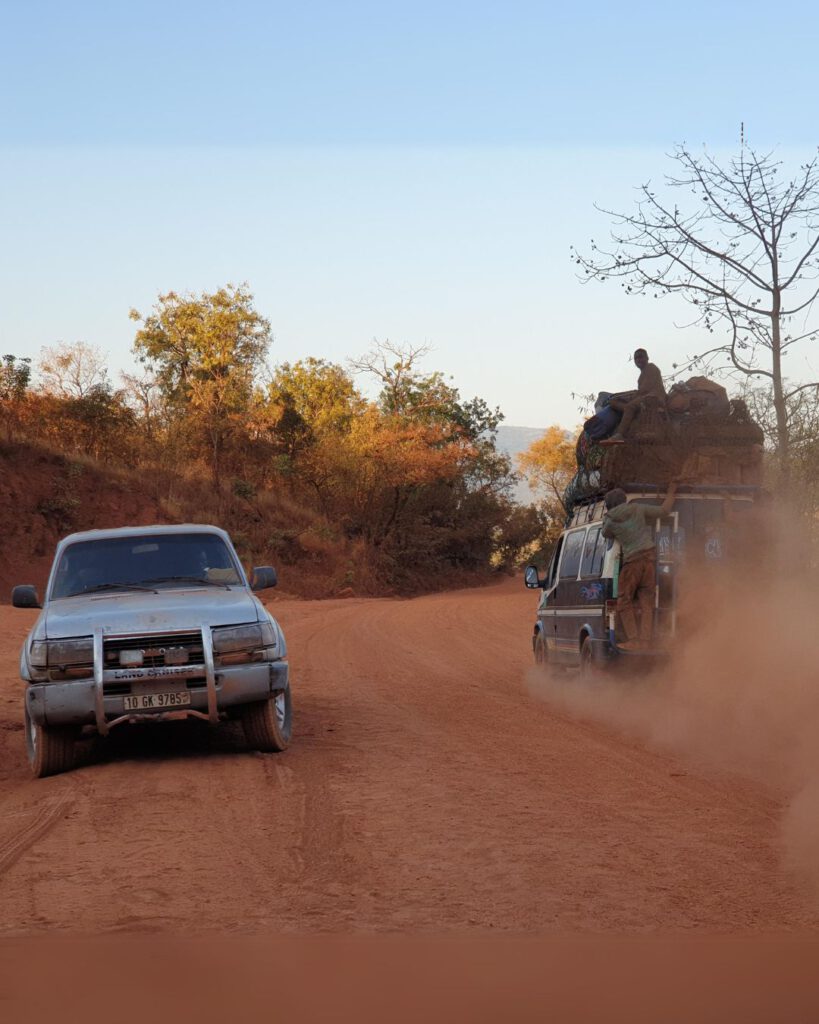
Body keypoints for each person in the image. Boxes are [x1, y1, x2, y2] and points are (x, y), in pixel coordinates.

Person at [601, 481, 678, 650]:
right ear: (624, 499)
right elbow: (664, 511)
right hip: (650, 560)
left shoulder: (611, 519)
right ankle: (645, 640)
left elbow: (605, 532)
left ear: (609, 505)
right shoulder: (637, 508)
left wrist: (607, 517)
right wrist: (672, 491)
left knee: (623, 600)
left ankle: (634, 639)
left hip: (632, 561)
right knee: (647, 601)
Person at [602, 348, 666, 444]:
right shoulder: (642, 375)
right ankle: (629, 415)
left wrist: (628, 397)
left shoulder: (651, 368)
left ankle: (620, 434)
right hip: (644, 397)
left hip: (654, 398)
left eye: (641, 357)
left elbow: (645, 390)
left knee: (629, 406)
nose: (638, 360)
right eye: (636, 358)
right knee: (613, 401)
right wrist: (622, 397)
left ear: (647, 358)